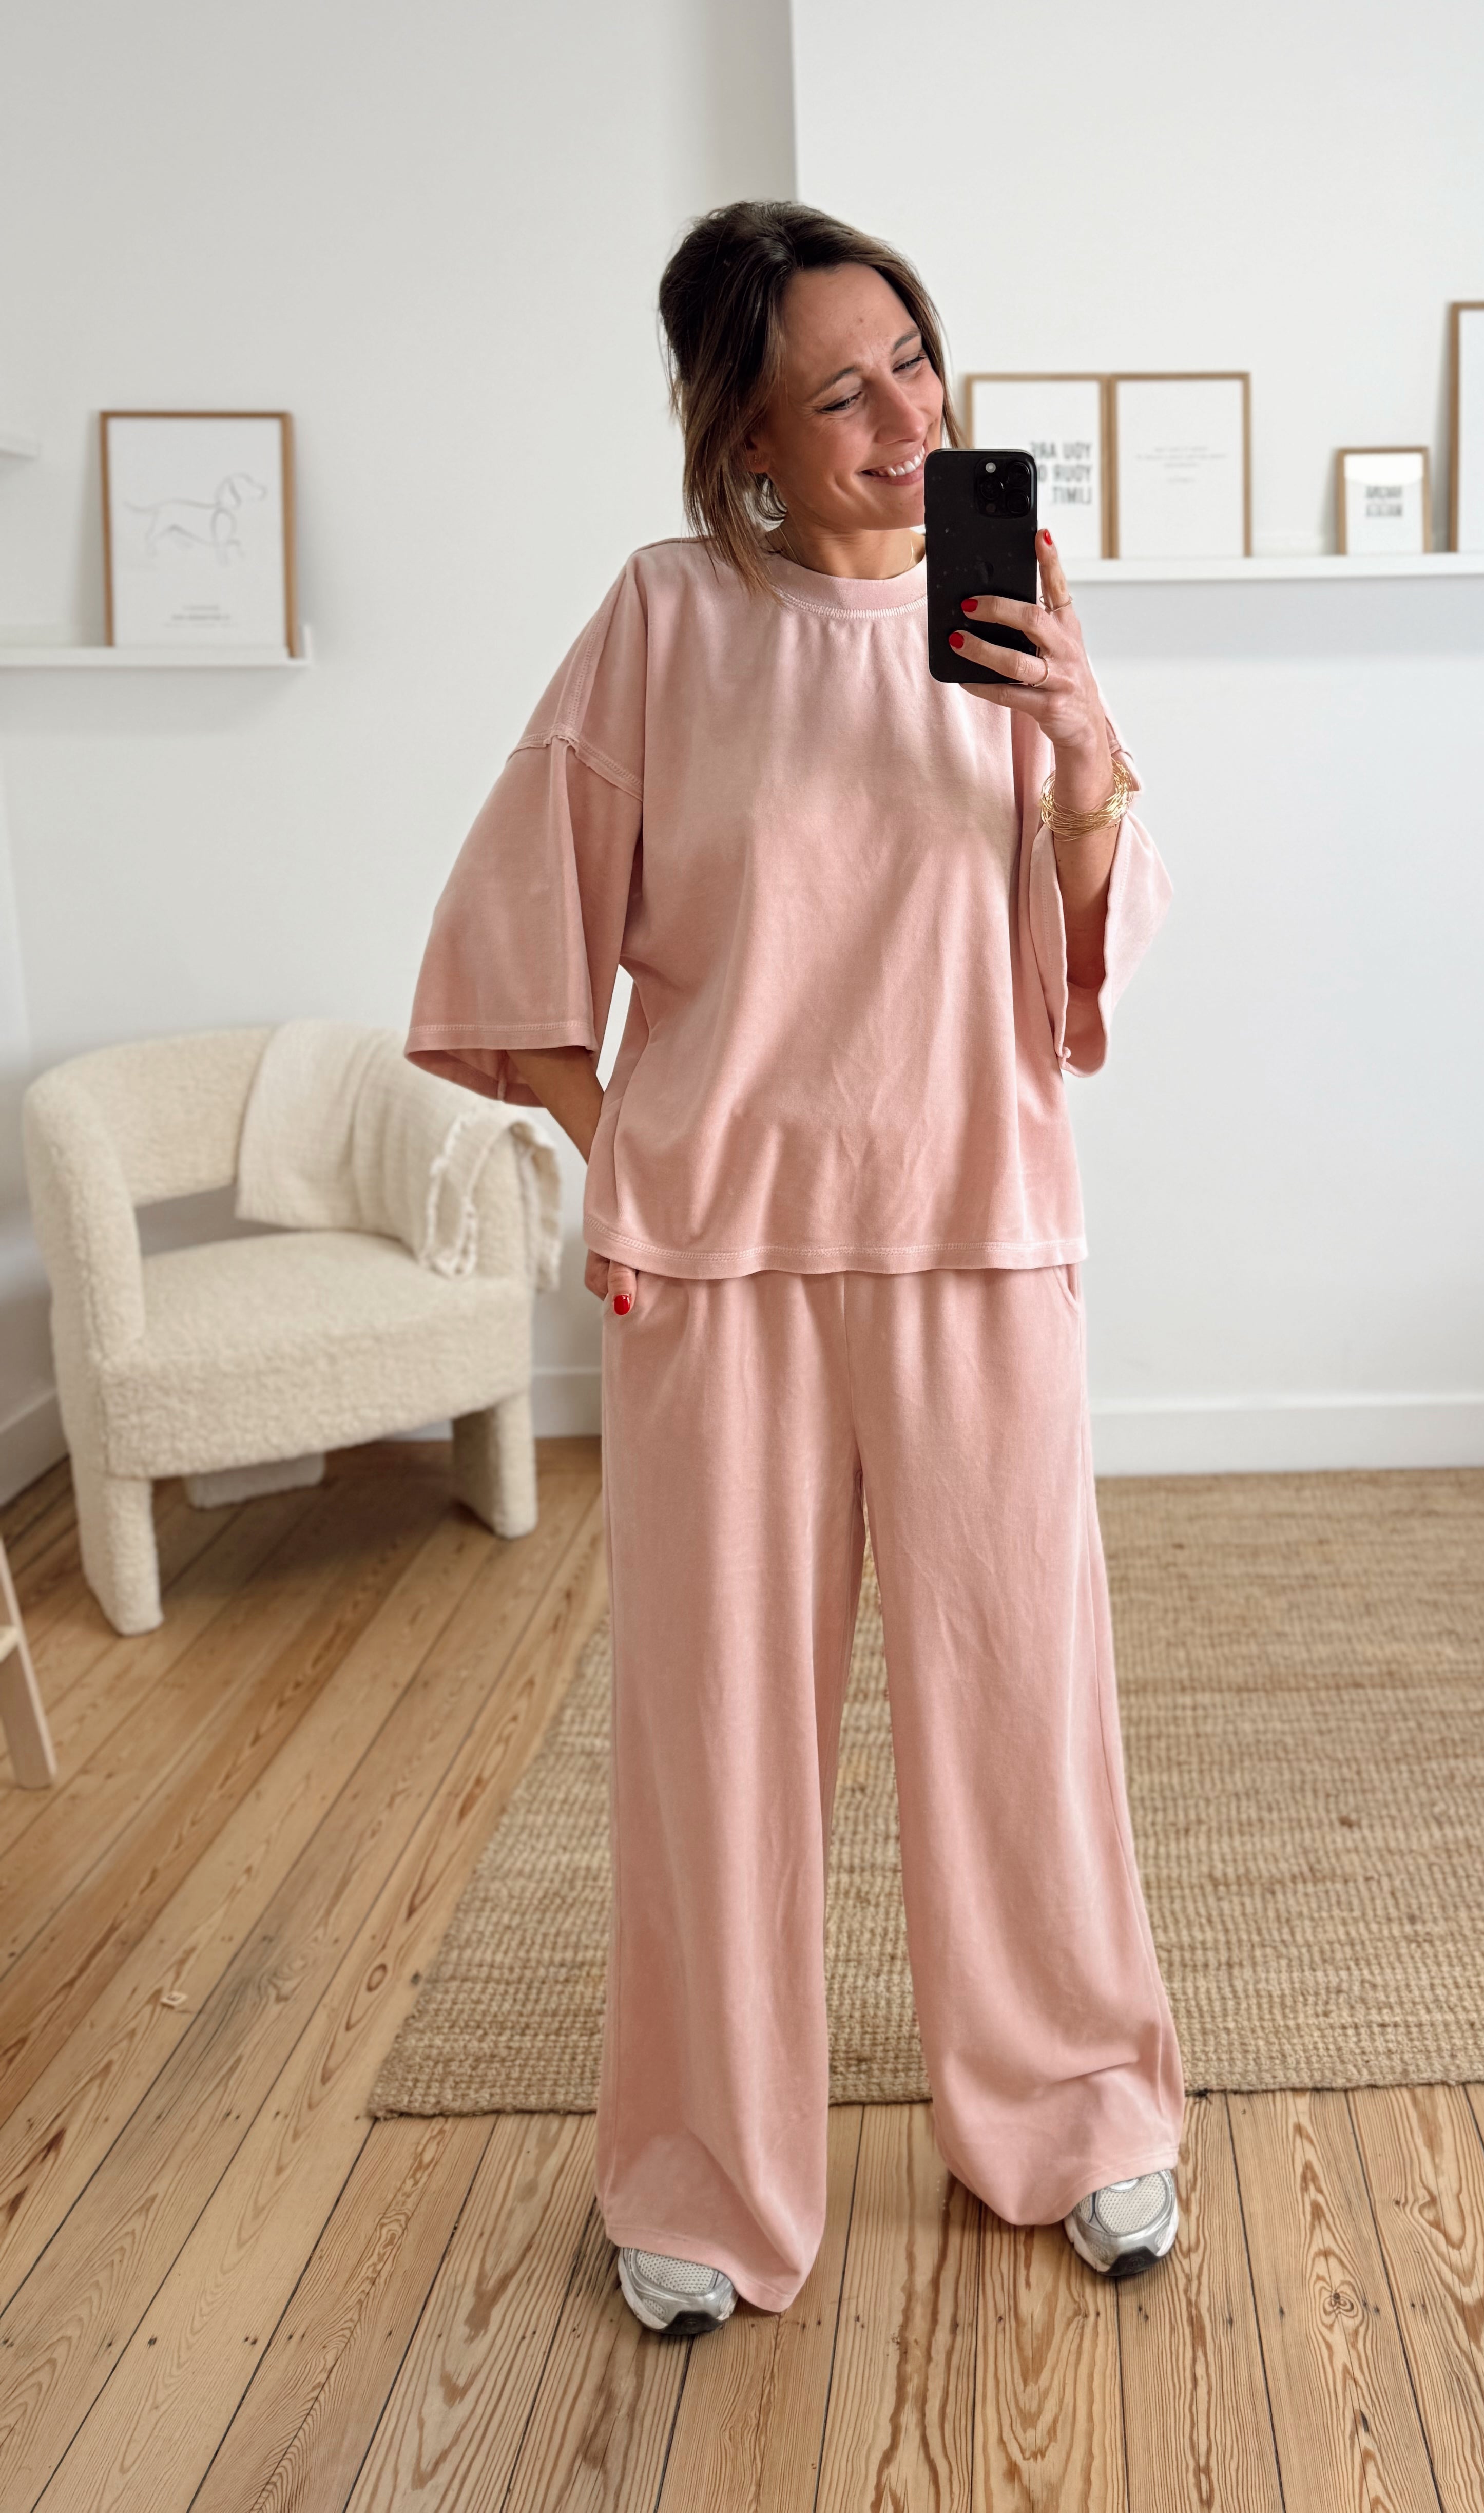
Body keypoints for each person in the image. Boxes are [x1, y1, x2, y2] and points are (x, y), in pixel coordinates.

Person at [405, 200, 1185, 2334]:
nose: (905, 419)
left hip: (978, 1226)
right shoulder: (666, 621)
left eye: (915, 360)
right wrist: (623, 1153)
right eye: (842, 393)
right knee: (716, 1739)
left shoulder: (1012, 604)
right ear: (743, 436)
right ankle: (700, 2168)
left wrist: (1086, 757)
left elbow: (1077, 948)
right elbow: (513, 928)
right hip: (719, 1268)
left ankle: (1078, 2116)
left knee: (1021, 1704)